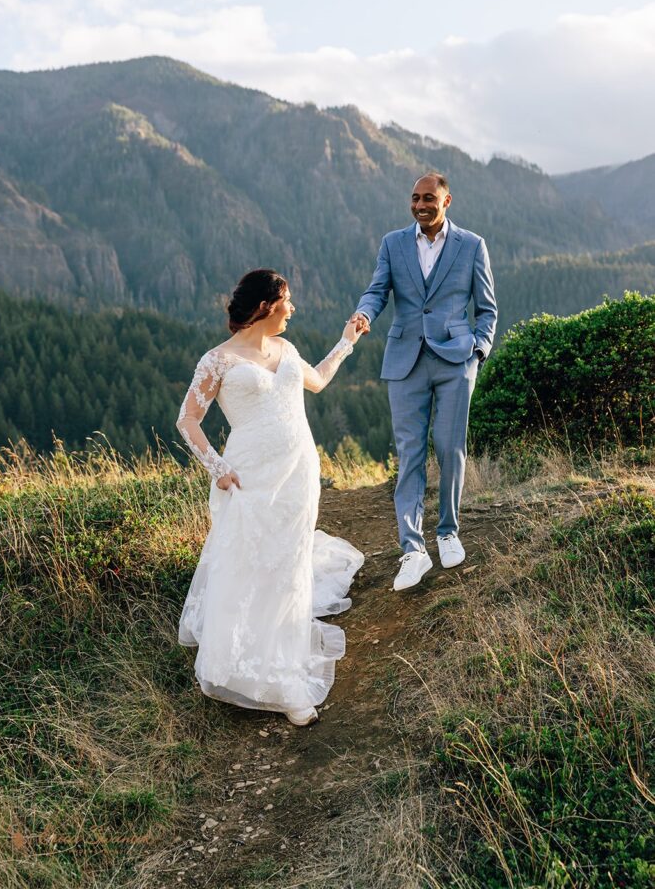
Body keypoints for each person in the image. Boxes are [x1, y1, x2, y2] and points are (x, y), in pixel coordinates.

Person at [176, 269, 364, 727]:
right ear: (265, 307)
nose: (292, 309)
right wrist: (217, 469)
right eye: (287, 301)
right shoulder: (216, 361)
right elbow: (187, 420)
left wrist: (347, 341)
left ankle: (284, 655)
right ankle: (259, 672)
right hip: (250, 476)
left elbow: (316, 381)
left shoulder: (287, 349)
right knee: (251, 559)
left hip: (299, 470)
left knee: (290, 558)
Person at [351, 172, 497, 592]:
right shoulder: (393, 243)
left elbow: (487, 308)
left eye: (428, 198)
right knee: (410, 453)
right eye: (414, 198)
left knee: (450, 448)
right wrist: (364, 314)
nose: (420, 205)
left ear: (447, 200)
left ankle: (448, 532)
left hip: (455, 359)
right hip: (405, 358)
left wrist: (478, 350)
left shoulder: (471, 245)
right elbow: (377, 291)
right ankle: (412, 550)